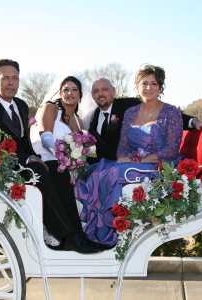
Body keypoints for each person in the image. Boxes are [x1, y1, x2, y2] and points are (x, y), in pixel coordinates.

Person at [0, 59, 103, 253]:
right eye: (5, 78)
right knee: (39, 171)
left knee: (59, 173)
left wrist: (37, 157)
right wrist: (29, 159)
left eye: (15, 78)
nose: (11, 83)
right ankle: (67, 235)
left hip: (26, 159)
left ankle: (77, 232)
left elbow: (24, 142)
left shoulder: (20, 105)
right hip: (2, 165)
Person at [75, 65, 184, 247]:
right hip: (133, 163)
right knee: (98, 171)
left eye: (153, 83)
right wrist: (122, 157)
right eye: (144, 83)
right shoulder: (131, 112)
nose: (148, 88)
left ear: (160, 87)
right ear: (137, 87)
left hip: (159, 164)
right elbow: (123, 145)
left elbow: (172, 149)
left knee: (115, 172)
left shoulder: (171, 112)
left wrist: (140, 160)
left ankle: (110, 228)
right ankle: (95, 228)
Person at [87, 78, 202, 165]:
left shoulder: (129, 105)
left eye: (104, 89)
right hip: (106, 165)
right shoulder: (92, 117)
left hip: (130, 164)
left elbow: (162, 114)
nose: (100, 94)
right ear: (92, 95)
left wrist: (193, 122)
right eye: (96, 91)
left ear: (113, 91)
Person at [30, 75, 96, 162]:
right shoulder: (51, 108)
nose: (70, 93)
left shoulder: (80, 122)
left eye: (74, 89)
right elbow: (45, 140)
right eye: (66, 89)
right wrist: (63, 155)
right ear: (60, 94)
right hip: (48, 159)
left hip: (72, 165)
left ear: (80, 94)